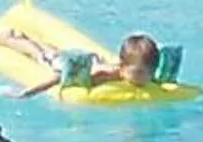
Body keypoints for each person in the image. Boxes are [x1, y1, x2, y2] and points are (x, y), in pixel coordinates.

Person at [11, 32, 161, 98]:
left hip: (91, 60)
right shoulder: (106, 75)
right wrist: (29, 92)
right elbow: (59, 77)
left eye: (151, 72)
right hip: (65, 64)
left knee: (52, 50)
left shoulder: (140, 75)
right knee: (44, 55)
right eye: (140, 72)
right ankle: (17, 39)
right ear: (122, 67)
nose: (146, 78)